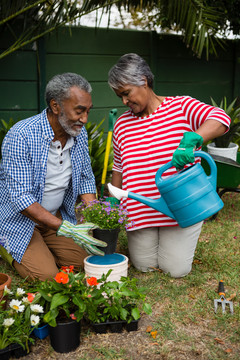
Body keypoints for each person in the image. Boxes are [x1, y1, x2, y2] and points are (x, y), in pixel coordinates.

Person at [108, 53, 231, 278]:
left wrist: (194, 138)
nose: (124, 102)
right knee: (144, 266)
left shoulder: (181, 106)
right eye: (120, 97)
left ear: (143, 81)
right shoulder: (122, 124)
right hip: (141, 210)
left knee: (176, 270)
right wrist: (112, 204)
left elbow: (221, 119)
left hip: (181, 208)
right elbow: (119, 167)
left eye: (126, 94)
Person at [0, 72, 107, 281]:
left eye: (87, 111)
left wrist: (95, 216)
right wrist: (64, 228)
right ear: (55, 106)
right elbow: (21, 198)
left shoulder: (78, 133)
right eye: (79, 111)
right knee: (48, 277)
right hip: (19, 220)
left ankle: (46, 245)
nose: (85, 119)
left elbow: (85, 178)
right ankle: (5, 244)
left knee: (84, 263)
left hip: (55, 216)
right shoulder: (21, 135)